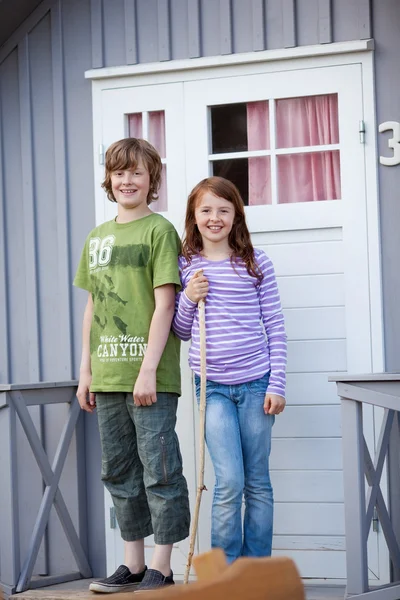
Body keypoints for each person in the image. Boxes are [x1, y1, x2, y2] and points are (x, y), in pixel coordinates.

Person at [74, 138, 190, 593]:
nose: (127, 180)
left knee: (159, 468)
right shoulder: (97, 237)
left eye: (137, 173)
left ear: (152, 181)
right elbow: (92, 309)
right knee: (118, 470)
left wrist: (147, 369)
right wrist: (86, 372)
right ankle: (134, 565)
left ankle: (163, 565)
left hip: (151, 377)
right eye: (119, 172)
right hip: (106, 376)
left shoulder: (159, 231)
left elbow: (165, 307)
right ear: (109, 179)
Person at [172, 176, 287, 563]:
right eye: (206, 210)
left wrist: (278, 384)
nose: (214, 218)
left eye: (223, 210)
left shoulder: (256, 263)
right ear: (194, 215)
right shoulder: (187, 265)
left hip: (257, 385)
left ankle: (256, 573)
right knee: (228, 483)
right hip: (213, 387)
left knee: (257, 483)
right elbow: (181, 330)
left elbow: (275, 325)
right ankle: (225, 577)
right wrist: (189, 298)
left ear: (236, 214)